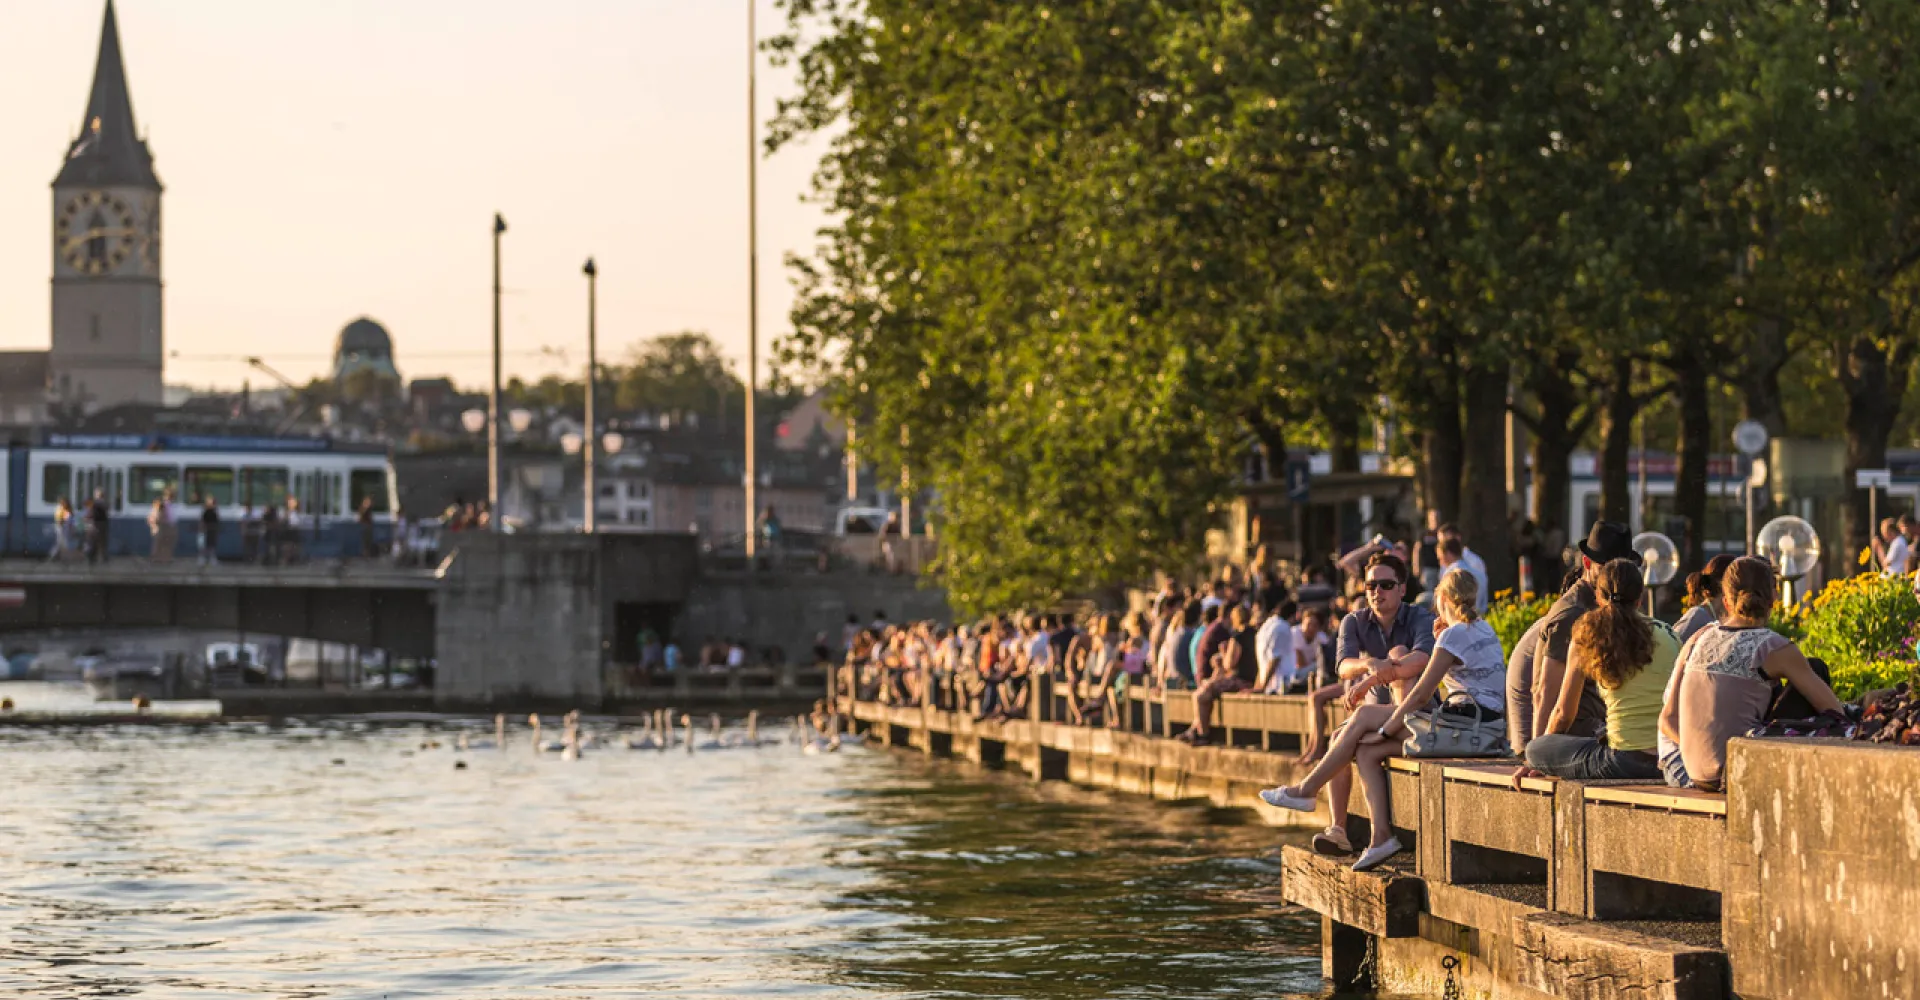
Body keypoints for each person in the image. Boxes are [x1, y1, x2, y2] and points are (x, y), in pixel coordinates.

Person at [1259, 567, 1501, 872]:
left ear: (1442, 600)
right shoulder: (1481, 628)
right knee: (1366, 750)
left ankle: (1306, 790)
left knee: (1363, 715)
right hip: (1479, 727)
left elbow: (1421, 695)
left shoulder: (1454, 635)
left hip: (1467, 728)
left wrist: (1387, 729)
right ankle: (1381, 838)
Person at [1265, 551, 1434, 859]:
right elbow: (1343, 667)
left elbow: (1421, 659)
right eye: (1370, 586)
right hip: (1377, 719)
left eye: (1385, 585)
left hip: (1414, 716)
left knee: (1397, 655)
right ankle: (1339, 831)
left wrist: (1373, 677)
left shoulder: (1419, 616)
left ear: (1401, 589)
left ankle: (1307, 790)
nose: (1377, 591)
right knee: (1337, 739)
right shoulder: (1354, 621)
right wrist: (1369, 664)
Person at [1660, 556, 1843, 791]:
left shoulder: (1698, 638)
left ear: (1726, 601)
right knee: (1815, 669)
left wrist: (1701, 747)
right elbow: (1835, 712)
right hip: (1737, 768)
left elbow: (1667, 719)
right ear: (1773, 598)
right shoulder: (1772, 646)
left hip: (1695, 772)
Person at [1521, 559, 1678, 780]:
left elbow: (1563, 714)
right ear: (1640, 599)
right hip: (1667, 758)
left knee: (1535, 749)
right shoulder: (1669, 633)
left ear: (1597, 596)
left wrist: (1540, 760)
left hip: (1621, 760)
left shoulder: (1587, 635)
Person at [1530, 521, 1641, 746]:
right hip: (1577, 735)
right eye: (1607, 568)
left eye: (1623, 569)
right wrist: (1537, 754)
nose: (1616, 577)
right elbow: (1545, 692)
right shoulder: (1572, 614)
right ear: (1587, 563)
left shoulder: (1611, 607)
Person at [1177, 604, 1259, 745]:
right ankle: (1195, 729)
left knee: (1200, 695)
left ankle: (1202, 733)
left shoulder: (1238, 637)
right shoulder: (1255, 634)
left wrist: (1223, 654)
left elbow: (1229, 664)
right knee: (1205, 691)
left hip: (1239, 680)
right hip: (1251, 679)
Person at [1673, 554, 1736, 646]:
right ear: (1721, 582)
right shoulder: (1697, 616)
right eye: (1736, 579)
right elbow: (1673, 648)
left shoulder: (1718, 616)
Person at [1256, 599, 1298, 695]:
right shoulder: (1282, 628)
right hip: (1279, 686)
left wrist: (1259, 686)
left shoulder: (1265, 626)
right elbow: (1274, 659)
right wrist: (1262, 687)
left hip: (1268, 684)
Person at [148, 489, 177, 563]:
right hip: (162, 525)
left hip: (169, 525)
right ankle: (156, 558)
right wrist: (155, 525)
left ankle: (166, 558)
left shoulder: (170, 505)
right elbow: (155, 515)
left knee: (167, 542)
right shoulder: (161, 504)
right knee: (160, 542)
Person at [87, 488, 111, 563]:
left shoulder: (94, 504)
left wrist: (89, 520)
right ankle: (104, 557)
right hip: (103, 524)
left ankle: (92, 558)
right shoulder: (105, 503)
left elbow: (91, 514)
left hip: (96, 524)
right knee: (103, 542)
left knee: (94, 542)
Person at [49, 496, 74, 562]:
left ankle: (55, 556)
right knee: (62, 543)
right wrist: (63, 522)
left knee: (60, 544)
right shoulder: (60, 509)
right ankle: (57, 557)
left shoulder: (67, 510)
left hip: (65, 529)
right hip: (61, 529)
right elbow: (59, 520)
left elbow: (70, 520)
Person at [199, 496, 220, 566]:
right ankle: (202, 559)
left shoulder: (215, 511)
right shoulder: (205, 511)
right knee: (204, 545)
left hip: (212, 530)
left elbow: (217, 520)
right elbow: (202, 521)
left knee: (212, 545)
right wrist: (202, 529)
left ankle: (212, 558)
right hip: (206, 530)